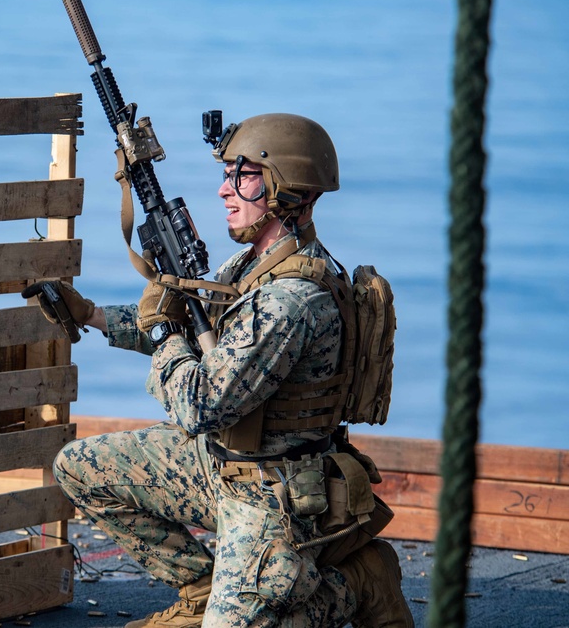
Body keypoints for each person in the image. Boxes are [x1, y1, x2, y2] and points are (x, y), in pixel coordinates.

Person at [25, 113, 414, 627]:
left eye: (243, 175)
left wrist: (163, 332)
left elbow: (198, 404)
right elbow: (193, 336)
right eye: (228, 173)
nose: (223, 191)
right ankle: (203, 590)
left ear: (287, 190)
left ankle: (358, 583)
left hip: (274, 496)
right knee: (82, 467)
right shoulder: (251, 269)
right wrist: (92, 315)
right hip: (222, 467)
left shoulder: (291, 302)